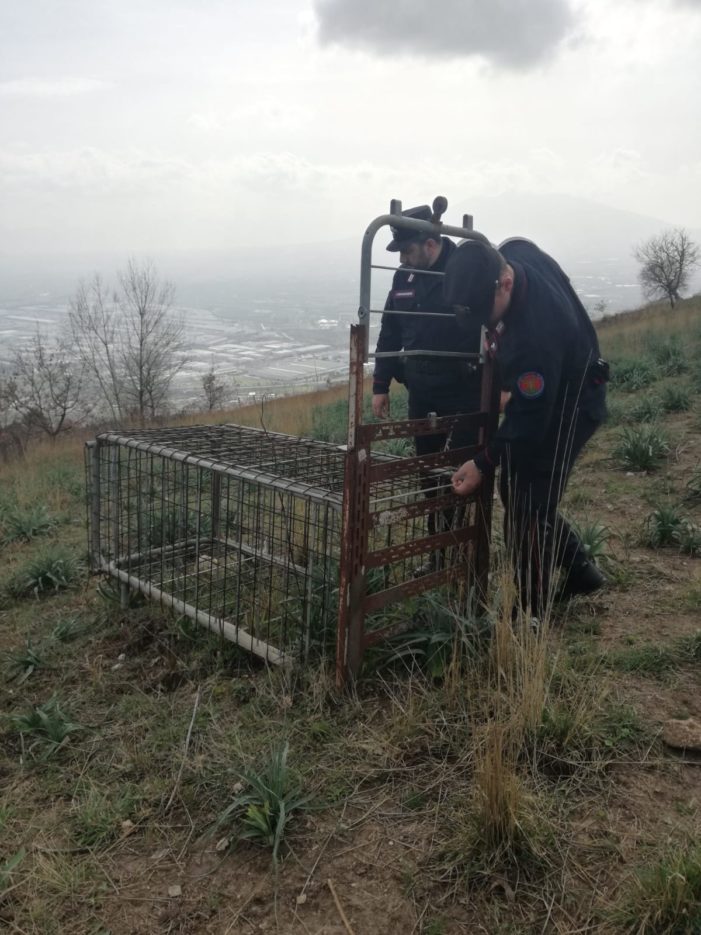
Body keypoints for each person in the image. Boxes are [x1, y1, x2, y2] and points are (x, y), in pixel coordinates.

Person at [442, 237, 608, 617]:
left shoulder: (535, 333)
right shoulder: (512, 255)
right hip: (554, 386)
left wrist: (483, 463)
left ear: (505, 283)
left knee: (527, 502)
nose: (487, 322)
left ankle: (531, 612)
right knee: (524, 491)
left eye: (487, 313)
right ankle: (581, 571)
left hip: (573, 405)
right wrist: (507, 383)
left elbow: (531, 421)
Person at [372, 205, 483, 571]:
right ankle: (438, 556)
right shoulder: (404, 277)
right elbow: (389, 329)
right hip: (421, 391)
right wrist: (380, 383)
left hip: (462, 391)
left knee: (458, 473)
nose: (402, 259)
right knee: (427, 474)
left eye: (407, 251)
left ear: (431, 244)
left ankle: (463, 551)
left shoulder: (464, 271)